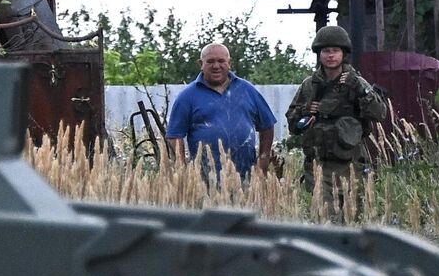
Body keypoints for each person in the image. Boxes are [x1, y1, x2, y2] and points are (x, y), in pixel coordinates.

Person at [286, 25, 391, 198]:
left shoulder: (357, 82)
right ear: (319, 54)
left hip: (351, 168)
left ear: (344, 53)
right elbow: (292, 125)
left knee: (352, 221)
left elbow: (380, 114)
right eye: (326, 50)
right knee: (325, 221)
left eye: (335, 50)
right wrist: (304, 112)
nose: (331, 55)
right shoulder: (309, 86)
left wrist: (359, 90)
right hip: (318, 168)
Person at [164, 42, 277, 182]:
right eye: (210, 61)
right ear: (201, 64)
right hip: (203, 179)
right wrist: (183, 170)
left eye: (221, 61)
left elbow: (267, 125)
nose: (216, 66)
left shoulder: (248, 90)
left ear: (229, 63)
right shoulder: (187, 96)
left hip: (246, 177)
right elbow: (174, 136)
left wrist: (263, 160)